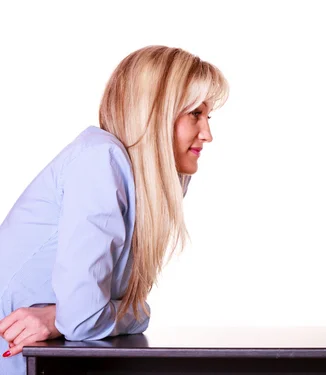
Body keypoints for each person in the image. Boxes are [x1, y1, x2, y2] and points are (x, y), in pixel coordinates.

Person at [0, 45, 229, 373]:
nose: (207, 133)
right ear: (155, 111)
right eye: (196, 114)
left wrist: (60, 318)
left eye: (209, 116)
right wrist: (76, 316)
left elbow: (107, 312)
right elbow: (89, 318)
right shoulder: (101, 161)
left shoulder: (146, 183)